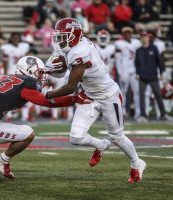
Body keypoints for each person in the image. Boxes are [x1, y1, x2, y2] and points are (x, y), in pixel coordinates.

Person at [0, 56, 89, 180]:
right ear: (28, 70)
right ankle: (3, 160)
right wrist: (73, 99)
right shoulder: (26, 84)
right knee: (28, 133)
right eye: (38, 73)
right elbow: (46, 102)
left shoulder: (7, 78)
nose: (42, 76)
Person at [46, 18, 146, 183]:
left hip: (108, 95)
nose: (60, 40)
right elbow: (62, 66)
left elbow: (71, 86)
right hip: (89, 96)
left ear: (74, 35)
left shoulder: (80, 51)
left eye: (64, 36)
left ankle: (137, 163)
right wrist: (51, 68)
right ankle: (100, 145)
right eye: (59, 36)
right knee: (75, 138)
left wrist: (48, 94)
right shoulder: (76, 44)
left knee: (117, 136)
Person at [135, 31, 166, 122]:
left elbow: (159, 62)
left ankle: (163, 114)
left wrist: (161, 73)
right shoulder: (138, 50)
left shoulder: (154, 48)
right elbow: (137, 63)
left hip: (153, 77)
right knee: (141, 96)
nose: (144, 38)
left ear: (148, 38)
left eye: (145, 36)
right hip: (142, 77)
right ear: (140, 38)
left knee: (158, 95)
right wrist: (137, 73)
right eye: (142, 36)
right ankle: (143, 115)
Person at [115, 27, 141, 119]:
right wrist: (120, 73)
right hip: (124, 70)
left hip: (134, 70)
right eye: (126, 33)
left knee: (137, 91)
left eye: (129, 33)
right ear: (123, 34)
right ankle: (123, 111)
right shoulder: (119, 44)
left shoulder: (136, 42)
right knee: (123, 92)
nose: (128, 35)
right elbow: (118, 60)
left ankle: (138, 112)